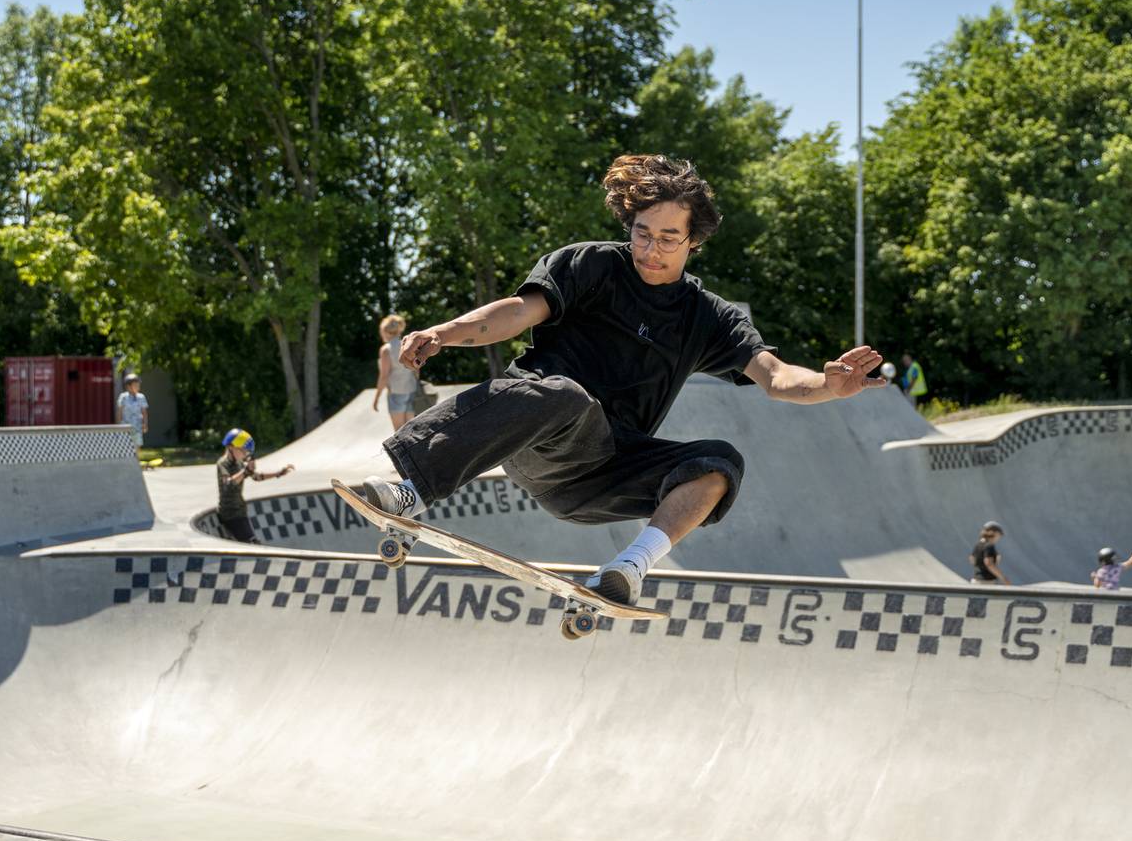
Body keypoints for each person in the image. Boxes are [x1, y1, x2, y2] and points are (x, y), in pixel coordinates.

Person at [352, 153, 886, 604]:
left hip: (602, 476)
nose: (651, 251)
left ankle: (628, 569)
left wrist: (828, 385)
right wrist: (445, 332)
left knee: (719, 464)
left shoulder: (708, 317)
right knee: (567, 396)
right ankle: (411, 492)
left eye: (669, 239)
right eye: (642, 234)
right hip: (538, 433)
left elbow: (775, 376)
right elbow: (516, 312)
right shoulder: (590, 267)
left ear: (694, 241)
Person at [216, 428, 295, 542]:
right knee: (252, 544)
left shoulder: (239, 463)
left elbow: (257, 477)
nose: (245, 454)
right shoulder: (223, 463)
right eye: (242, 450)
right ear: (231, 447)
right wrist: (245, 472)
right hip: (230, 513)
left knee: (252, 543)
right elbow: (227, 483)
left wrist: (278, 473)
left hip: (240, 511)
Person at [372, 315, 423, 431]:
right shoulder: (407, 345)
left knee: (399, 431)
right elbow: (416, 369)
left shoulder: (386, 350)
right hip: (411, 390)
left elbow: (384, 376)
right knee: (410, 430)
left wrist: (377, 397)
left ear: (385, 331)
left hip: (396, 392)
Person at [969, 521, 1011, 585]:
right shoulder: (989, 546)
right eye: (1000, 535)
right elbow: (989, 563)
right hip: (986, 582)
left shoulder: (978, 544)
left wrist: (981, 566)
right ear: (995, 533)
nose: (999, 538)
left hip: (976, 580)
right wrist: (1003, 578)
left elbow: (972, 559)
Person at [115, 373, 150, 448]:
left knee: (137, 445)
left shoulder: (141, 397)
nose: (138, 386)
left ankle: (136, 456)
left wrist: (145, 424)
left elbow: (144, 412)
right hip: (125, 427)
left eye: (138, 384)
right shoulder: (123, 397)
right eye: (135, 385)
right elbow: (119, 412)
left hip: (137, 427)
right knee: (125, 446)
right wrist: (119, 425)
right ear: (128, 386)